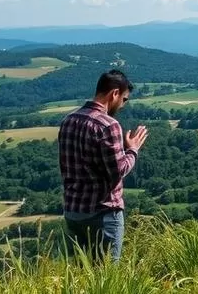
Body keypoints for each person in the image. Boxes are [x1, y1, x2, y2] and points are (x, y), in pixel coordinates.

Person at [57, 68, 149, 262]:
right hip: (103, 214)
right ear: (114, 93)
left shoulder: (68, 120)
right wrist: (132, 149)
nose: (122, 105)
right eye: (124, 99)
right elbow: (118, 170)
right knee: (106, 277)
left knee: (82, 275)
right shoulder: (109, 125)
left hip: (73, 212)